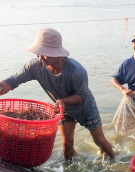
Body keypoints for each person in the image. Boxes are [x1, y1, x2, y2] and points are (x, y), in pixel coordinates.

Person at [0, 28, 114, 159]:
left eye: (45, 53)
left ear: (58, 54)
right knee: (67, 145)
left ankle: (114, 160)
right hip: (62, 109)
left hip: (85, 108)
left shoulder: (77, 71)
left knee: (99, 141)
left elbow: (82, 96)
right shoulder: (35, 66)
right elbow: (12, 81)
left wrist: (63, 101)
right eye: (38, 53)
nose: (40, 57)